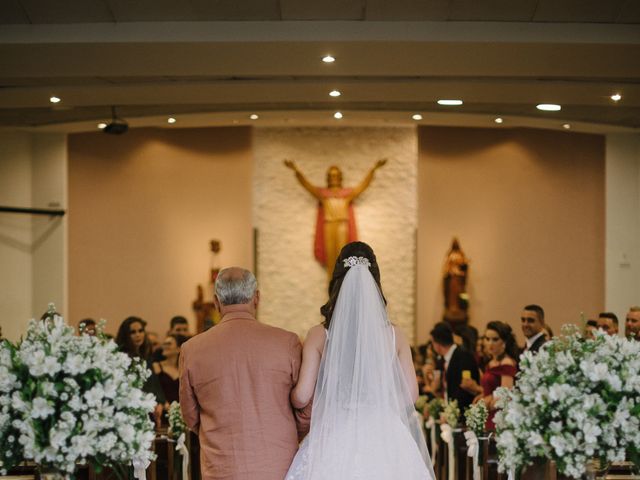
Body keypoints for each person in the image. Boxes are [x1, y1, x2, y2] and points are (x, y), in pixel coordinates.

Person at [287, 241, 435, 480]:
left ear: (337, 282)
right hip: (384, 434)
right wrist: (380, 413)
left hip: (335, 432)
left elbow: (302, 396)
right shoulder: (395, 335)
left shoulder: (319, 335)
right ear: (375, 282)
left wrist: (288, 393)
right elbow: (411, 393)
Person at [179, 267, 311, 480]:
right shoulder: (287, 342)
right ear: (256, 298)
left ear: (216, 302)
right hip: (279, 464)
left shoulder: (191, 349)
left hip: (221, 465)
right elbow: (306, 408)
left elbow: (190, 414)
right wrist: (284, 430)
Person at [284, 159, 386, 279]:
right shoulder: (323, 194)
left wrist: (373, 170)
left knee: (343, 258)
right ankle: (331, 288)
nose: (334, 177)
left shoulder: (347, 194)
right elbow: (307, 186)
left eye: (336, 175)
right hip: (328, 227)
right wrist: (296, 171)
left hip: (342, 226)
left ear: (340, 177)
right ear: (328, 177)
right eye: (331, 175)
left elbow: (362, 186)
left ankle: (343, 286)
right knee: (331, 260)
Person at [461, 321, 518, 430]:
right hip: (487, 414)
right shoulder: (491, 362)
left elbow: (505, 395)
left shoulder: (506, 362)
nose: (490, 343)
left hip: (498, 416)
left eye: (495, 339)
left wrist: (483, 404)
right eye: (487, 339)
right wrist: (480, 394)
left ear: (504, 341)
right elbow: (490, 389)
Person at [116, 316, 165, 425]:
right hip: (130, 411)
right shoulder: (122, 358)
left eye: (140, 331)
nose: (138, 335)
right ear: (125, 336)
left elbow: (154, 384)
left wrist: (159, 402)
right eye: (133, 332)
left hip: (150, 410)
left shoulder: (146, 357)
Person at [430, 321, 480, 413]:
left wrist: (453, 413)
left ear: (437, 344)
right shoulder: (444, 360)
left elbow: (464, 389)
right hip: (450, 411)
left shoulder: (463, 356)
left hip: (463, 413)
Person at [152, 333, 188, 405]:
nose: (165, 346)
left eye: (168, 344)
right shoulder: (156, 366)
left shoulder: (185, 368)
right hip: (162, 409)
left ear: (178, 349)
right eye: (164, 343)